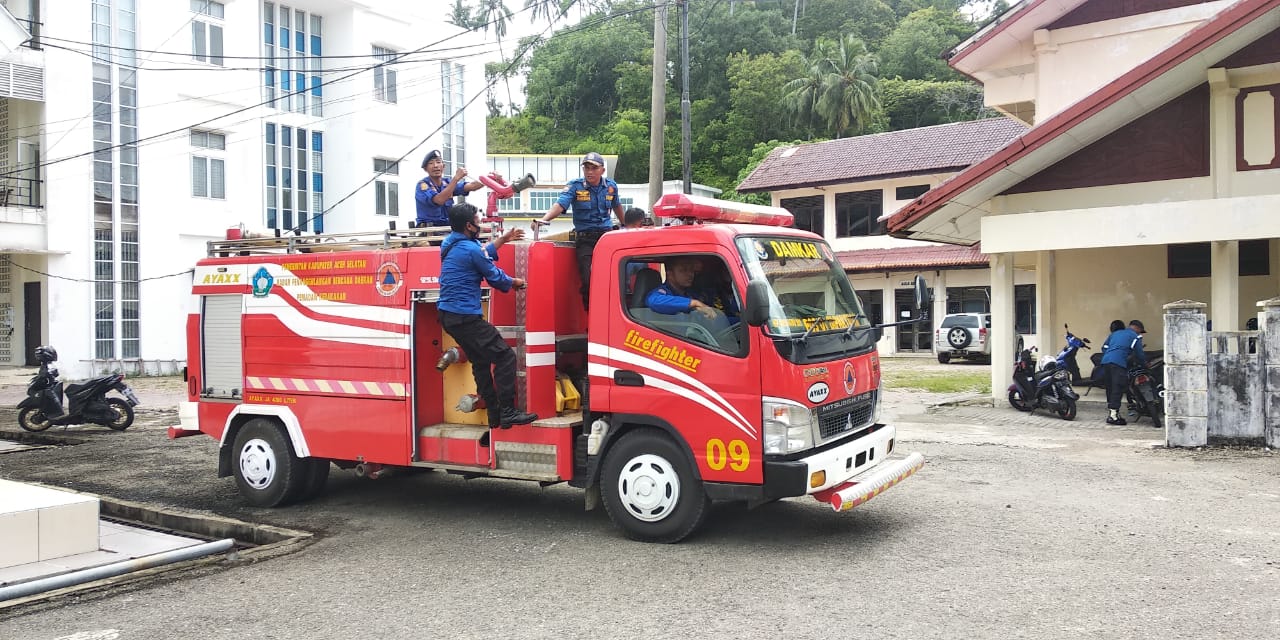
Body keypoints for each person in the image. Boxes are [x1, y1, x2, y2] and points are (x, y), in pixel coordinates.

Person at [438, 202, 537, 442]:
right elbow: (494, 276)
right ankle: (508, 411)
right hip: (465, 316)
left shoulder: (451, 243)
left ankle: (494, 417)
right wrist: (515, 282)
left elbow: (482, 253)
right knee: (505, 356)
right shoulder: (471, 249)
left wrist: (503, 239)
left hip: (449, 316)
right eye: (478, 220)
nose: (480, 223)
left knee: (481, 361)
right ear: (469, 226)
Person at [531, 152, 624, 310]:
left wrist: (626, 225)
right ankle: (592, 320)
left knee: (614, 279)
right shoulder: (575, 186)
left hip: (607, 238)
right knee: (588, 280)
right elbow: (560, 204)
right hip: (585, 239)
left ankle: (613, 315)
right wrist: (544, 219)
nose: (589, 172)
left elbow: (617, 206)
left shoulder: (611, 186)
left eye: (594, 168)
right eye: (586, 168)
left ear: (602, 170)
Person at [646, 257, 737, 333]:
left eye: (691, 270)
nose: (690, 274)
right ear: (670, 274)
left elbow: (716, 318)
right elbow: (653, 301)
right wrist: (693, 303)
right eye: (684, 270)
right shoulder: (663, 292)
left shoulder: (692, 293)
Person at [415, 149, 485, 228]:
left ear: (443, 166)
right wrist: (456, 179)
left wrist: (490, 179)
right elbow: (439, 200)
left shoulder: (447, 182)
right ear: (425, 169)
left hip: (448, 228)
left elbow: (471, 186)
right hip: (429, 231)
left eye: (438, 162)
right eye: (431, 163)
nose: (435, 166)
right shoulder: (422, 185)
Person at [1100, 318, 1147, 425]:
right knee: (1118, 387)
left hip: (1106, 362)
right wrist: (1144, 364)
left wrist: (1113, 353)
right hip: (1118, 363)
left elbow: (1104, 348)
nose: (1140, 333)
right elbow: (1139, 353)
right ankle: (1113, 417)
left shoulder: (1115, 334)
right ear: (1137, 328)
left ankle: (1112, 412)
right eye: (1140, 330)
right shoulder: (1136, 336)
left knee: (1110, 387)